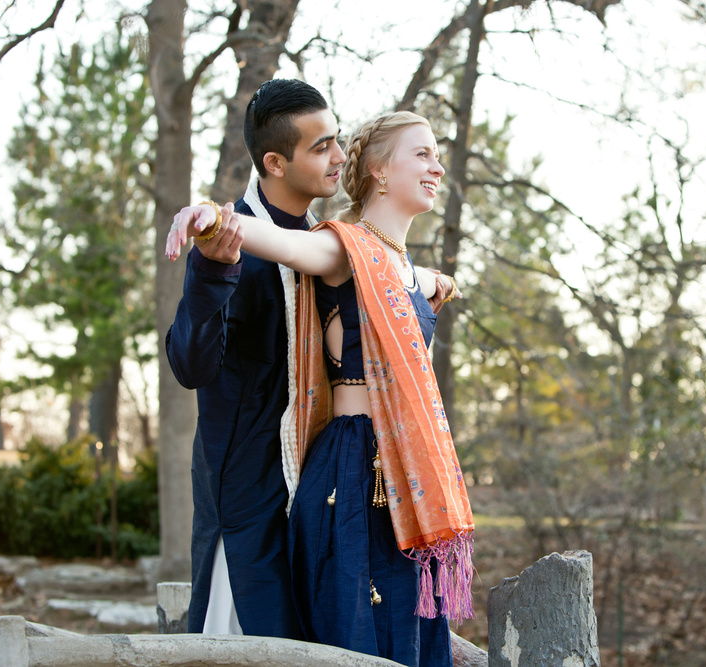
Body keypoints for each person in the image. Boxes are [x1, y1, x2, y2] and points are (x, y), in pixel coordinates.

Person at [167, 110, 472, 666]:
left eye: (436, 154)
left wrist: (435, 284)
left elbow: (411, 297)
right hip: (352, 469)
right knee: (353, 629)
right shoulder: (341, 249)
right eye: (422, 154)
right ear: (379, 171)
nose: (437, 166)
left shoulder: (411, 274)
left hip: (404, 469)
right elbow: (280, 242)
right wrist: (212, 217)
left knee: (408, 627)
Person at [165, 79, 345, 638]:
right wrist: (212, 272)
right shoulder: (224, 240)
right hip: (245, 492)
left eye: (336, 141)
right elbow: (191, 366)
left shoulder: (328, 244)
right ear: (274, 161)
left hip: (319, 487)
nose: (339, 157)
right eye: (321, 147)